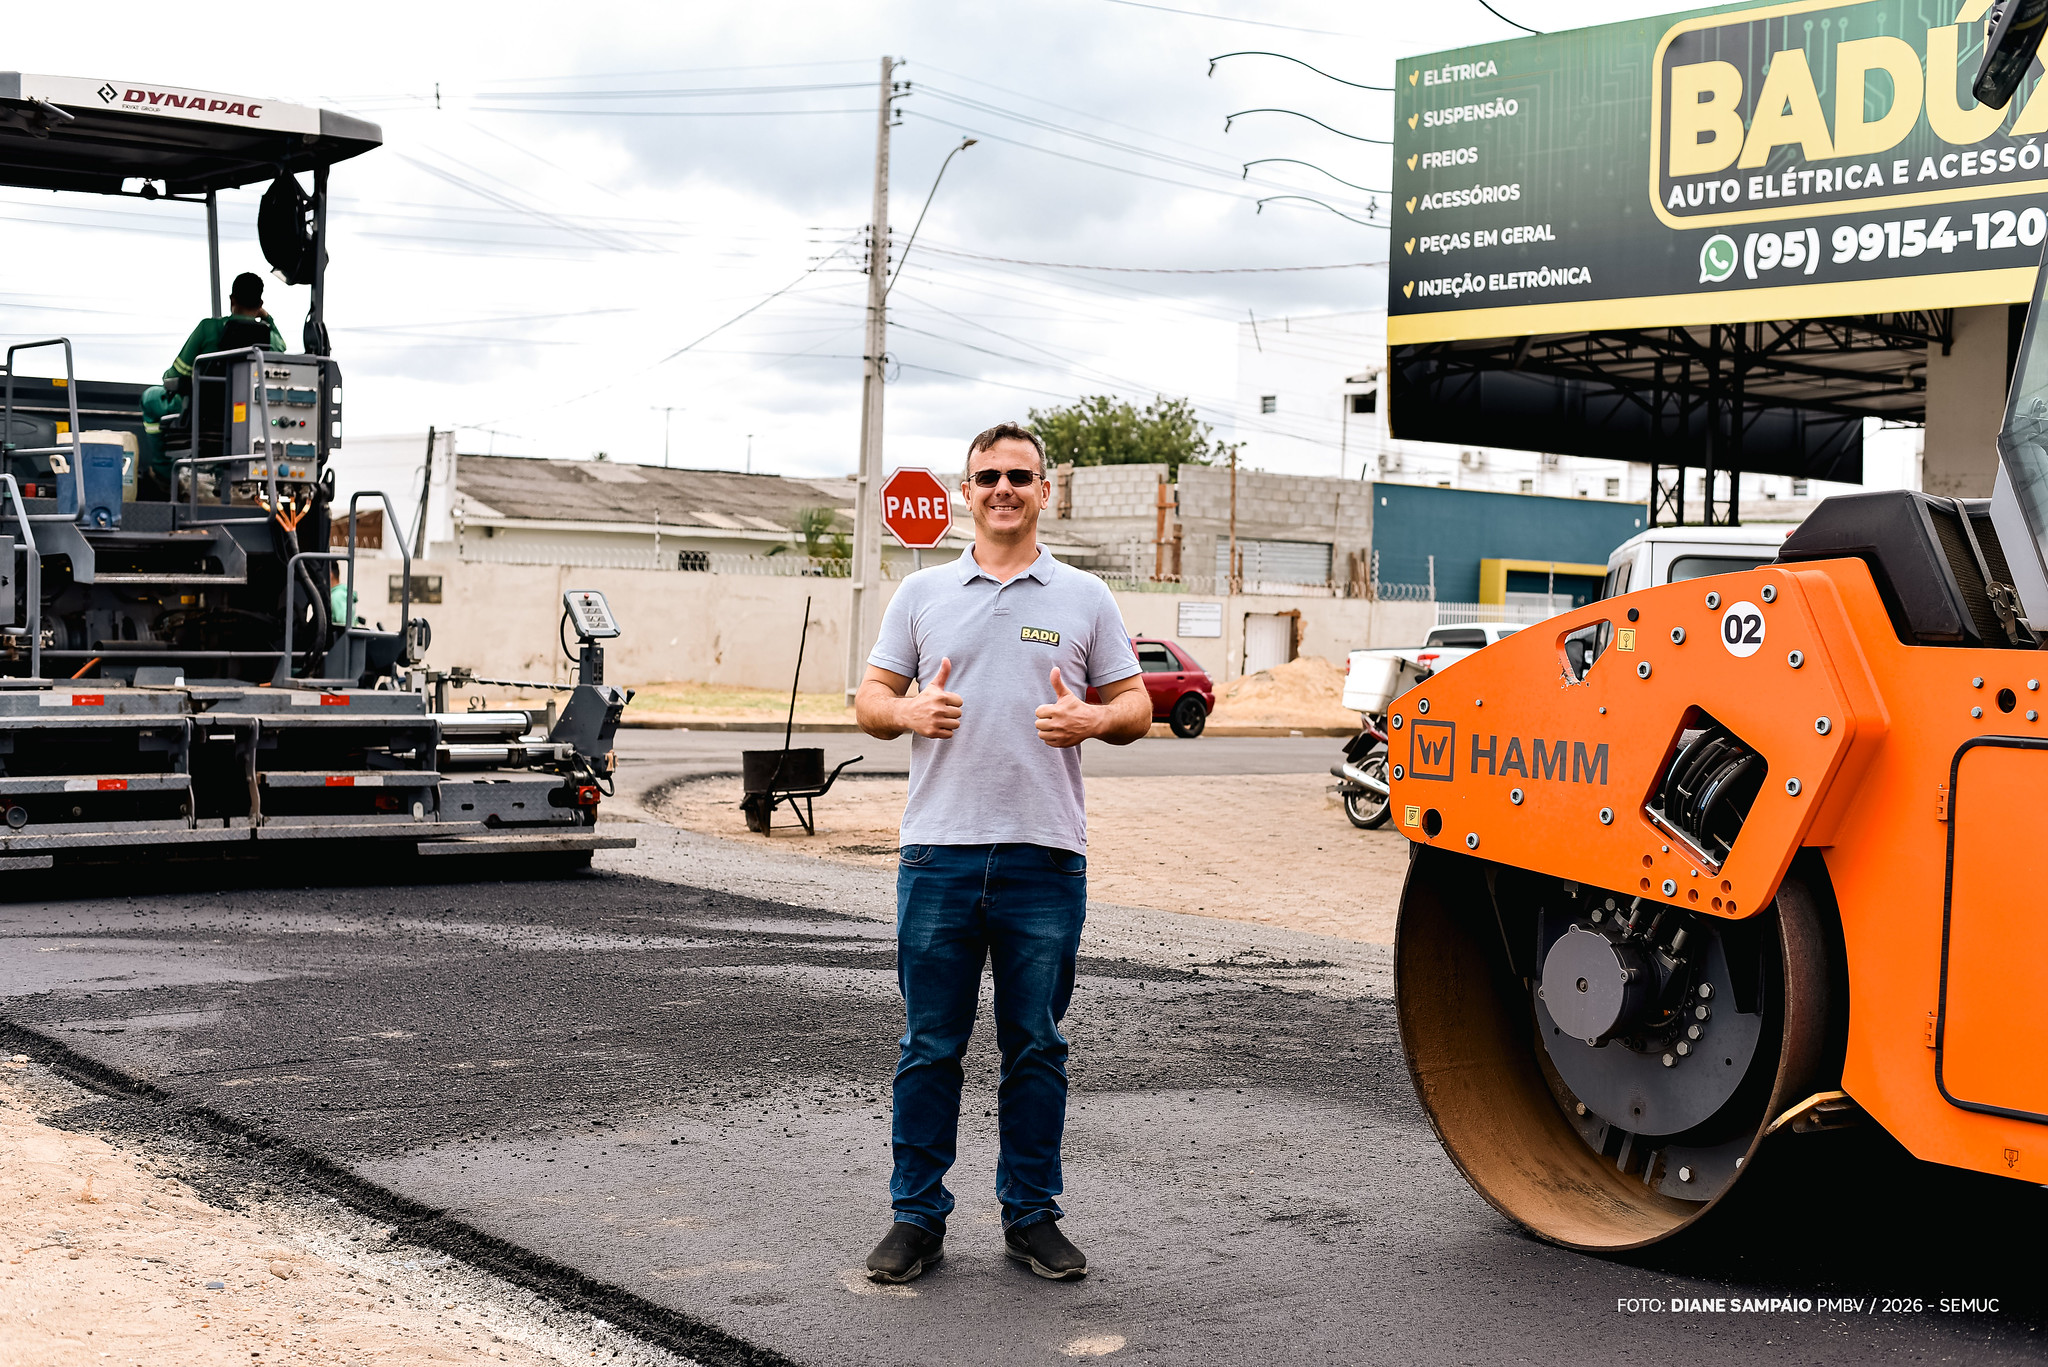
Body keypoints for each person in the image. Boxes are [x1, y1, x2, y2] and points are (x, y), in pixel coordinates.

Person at [855, 421, 1151, 1285]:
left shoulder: (1087, 597)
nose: (1003, 489)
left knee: (1035, 1046)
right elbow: (871, 698)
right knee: (929, 1044)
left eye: (1020, 475)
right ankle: (916, 1218)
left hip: (1044, 859)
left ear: (1044, 490)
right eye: (988, 475)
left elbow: (1133, 704)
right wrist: (906, 712)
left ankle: (1031, 1214)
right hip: (938, 856)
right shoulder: (921, 595)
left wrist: (1094, 718)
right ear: (966, 489)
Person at [139, 273, 287, 497]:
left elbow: (176, 374)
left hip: (202, 415)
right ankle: (220, 471)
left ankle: (163, 473)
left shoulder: (208, 329)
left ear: (231, 300)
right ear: (260, 305)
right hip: (247, 420)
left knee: (150, 398)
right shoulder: (267, 339)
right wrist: (268, 318)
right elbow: (282, 345)